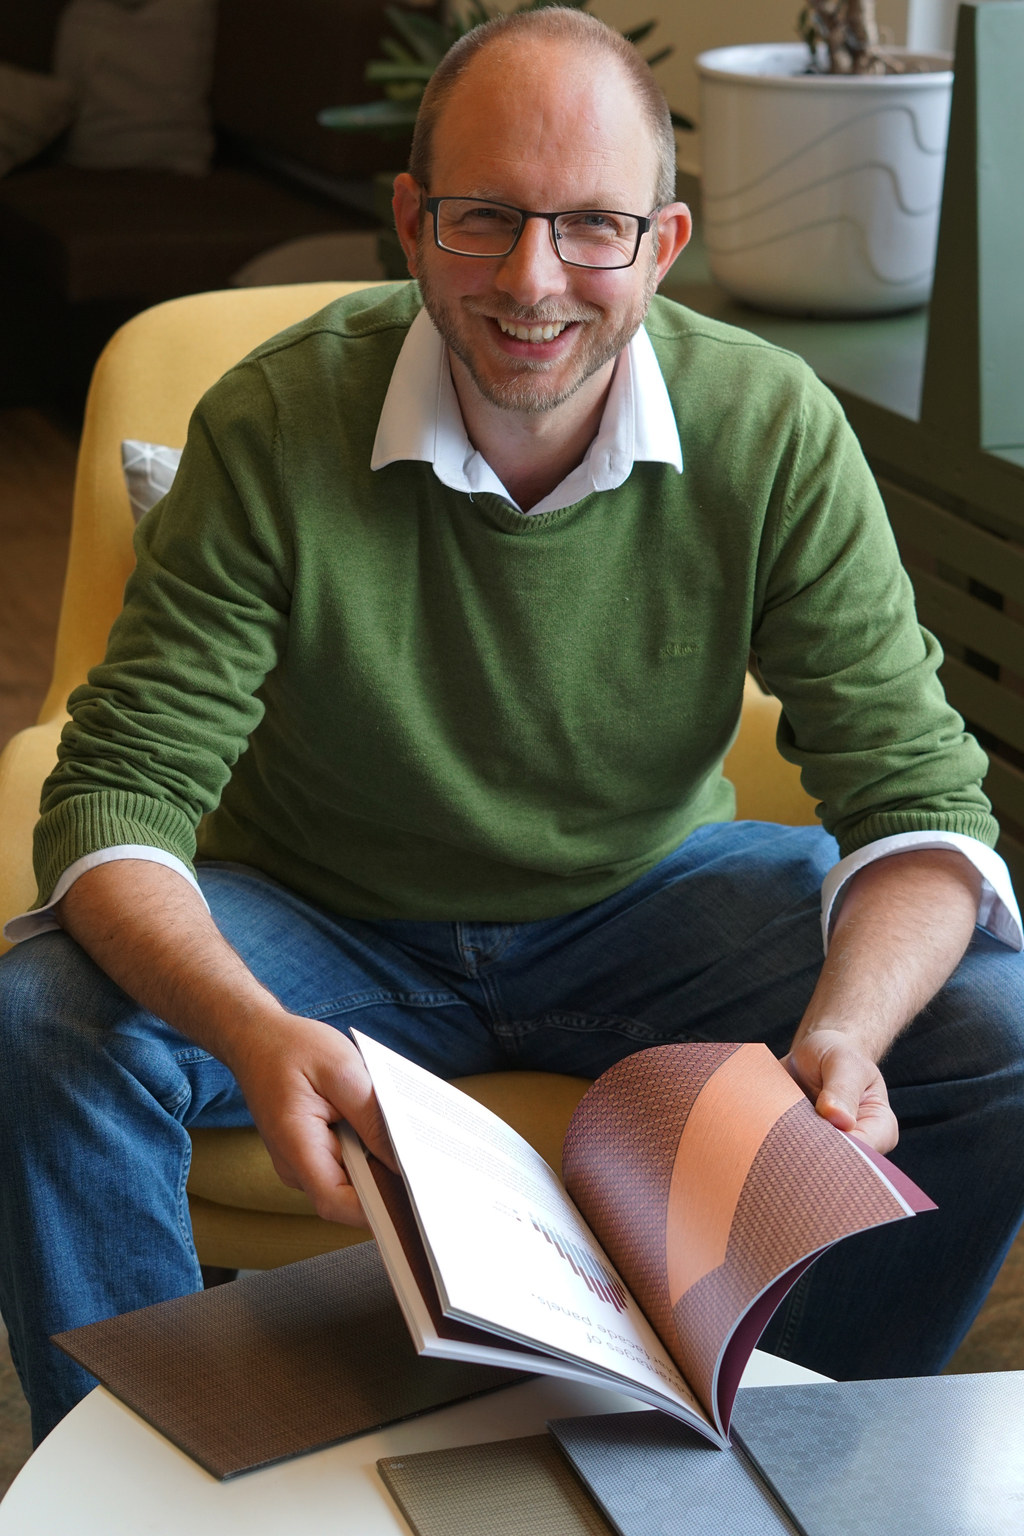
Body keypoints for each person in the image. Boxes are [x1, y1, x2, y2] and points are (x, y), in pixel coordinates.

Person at [1, 6, 1023, 1447]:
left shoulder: (772, 426)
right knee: (41, 1019)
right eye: (484, 217)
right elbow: (119, 791)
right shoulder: (274, 420)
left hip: (651, 906)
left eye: (593, 225)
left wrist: (849, 1036)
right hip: (323, 916)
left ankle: (774, 1445)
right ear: (412, 223)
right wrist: (250, 1026)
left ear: (663, 246)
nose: (534, 279)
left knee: (992, 1021)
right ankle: (148, 1481)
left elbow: (917, 798)